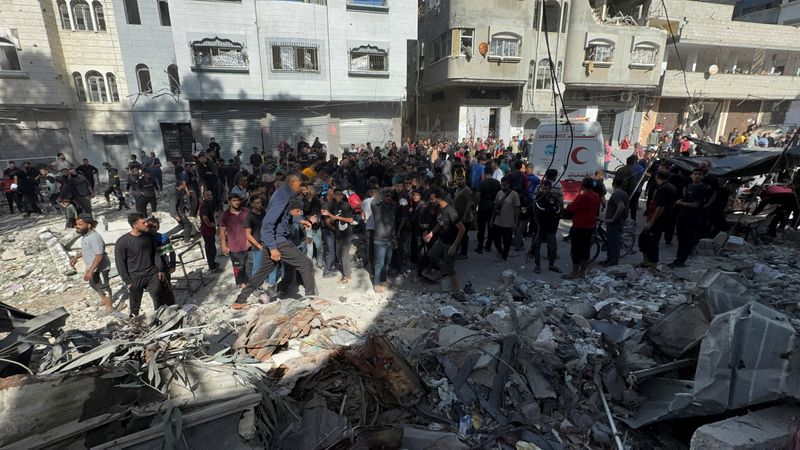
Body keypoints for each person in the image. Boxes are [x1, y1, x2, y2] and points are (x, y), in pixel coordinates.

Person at [234, 172, 317, 309]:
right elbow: (268, 222)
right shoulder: (283, 195)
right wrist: (272, 247)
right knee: (306, 263)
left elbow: (283, 216)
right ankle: (312, 299)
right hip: (277, 240)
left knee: (262, 274)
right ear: (293, 183)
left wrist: (300, 220)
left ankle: (240, 300)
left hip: (272, 239)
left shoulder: (283, 193)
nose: (302, 188)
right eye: (300, 185)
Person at [114, 213, 170, 316]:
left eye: (146, 221)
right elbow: (120, 263)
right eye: (143, 222)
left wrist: (160, 269)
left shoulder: (149, 237)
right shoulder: (122, 242)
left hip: (152, 275)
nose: (146, 224)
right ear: (135, 225)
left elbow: (155, 255)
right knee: (135, 306)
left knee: (159, 300)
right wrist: (128, 281)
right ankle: (135, 326)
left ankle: (161, 320)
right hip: (135, 278)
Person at [421, 188, 466, 299]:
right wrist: (432, 233)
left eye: (432, 199)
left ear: (439, 199)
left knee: (450, 269)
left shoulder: (450, 211)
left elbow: (462, 229)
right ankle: (444, 269)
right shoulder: (439, 208)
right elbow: (440, 223)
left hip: (450, 244)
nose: (430, 201)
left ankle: (457, 291)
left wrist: (454, 246)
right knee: (431, 254)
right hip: (441, 241)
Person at [70, 213, 113, 313]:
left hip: (100, 268)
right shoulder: (85, 236)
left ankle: (110, 308)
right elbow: (86, 249)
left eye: (80, 224)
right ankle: (106, 302)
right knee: (95, 286)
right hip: (92, 268)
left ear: (89, 225)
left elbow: (99, 256)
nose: (77, 226)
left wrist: (90, 271)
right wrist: (76, 257)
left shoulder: (94, 237)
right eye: (77, 224)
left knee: (103, 287)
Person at [669, 168, 708, 268]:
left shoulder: (703, 189)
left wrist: (682, 203)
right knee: (680, 238)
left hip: (693, 217)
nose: (697, 176)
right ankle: (678, 259)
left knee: (687, 238)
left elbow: (696, 205)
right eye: (695, 174)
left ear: (703, 177)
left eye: (699, 174)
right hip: (683, 215)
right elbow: (686, 198)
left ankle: (682, 260)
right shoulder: (690, 186)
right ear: (691, 175)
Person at [563, 177, 600, 279]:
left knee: (576, 250)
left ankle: (574, 273)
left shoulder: (582, 197)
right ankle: (582, 272)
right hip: (590, 226)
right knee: (586, 250)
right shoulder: (596, 196)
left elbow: (571, 208)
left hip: (580, 226)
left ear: (583, 185)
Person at [639, 170, 677, 268]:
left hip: (657, 220)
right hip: (663, 219)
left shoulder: (663, 189)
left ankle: (652, 266)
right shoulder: (671, 187)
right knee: (644, 239)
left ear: (657, 177)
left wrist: (651, 222)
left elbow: (661, 207)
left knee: (651, 243)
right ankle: (647, 263)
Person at [322, 188, 355, 284]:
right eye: (337, 194)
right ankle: (346, 271)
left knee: (344, 255)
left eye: (341, 194)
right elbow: (332, 220)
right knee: (339, 255)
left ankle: (347, 275)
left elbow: (350, 220)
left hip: (347, 234)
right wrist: (331, 218)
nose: (339, 196)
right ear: (334, 195)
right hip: (338, 233)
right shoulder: (333, 206)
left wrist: (336, 217)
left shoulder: (346, 205)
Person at [219, 192, 250, 288]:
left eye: (238, 200)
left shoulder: (246, 211)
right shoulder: (225, 215)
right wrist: (224, 245)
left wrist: (250, 240)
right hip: (234, 247)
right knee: (238, 267)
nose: (237, 202)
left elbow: (252, 226)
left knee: (249, 267)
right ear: (229, 202)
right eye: (234, 200)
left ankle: (250, 283)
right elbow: (222, 232)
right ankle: (242, 284)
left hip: (247, 245)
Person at [530, 180, 561, 274]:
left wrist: (550, 212)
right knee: (537, 246)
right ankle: (537, 265)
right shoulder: (538, 199)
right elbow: (539, 211)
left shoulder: (554, 199)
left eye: (546, 188)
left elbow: (558, 211)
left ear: (550, 188)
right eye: (543, 188)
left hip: (551, 228)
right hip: (540, 227)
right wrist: (550, 211)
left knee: (553, 247)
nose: (544, 190)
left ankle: (551, 265)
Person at [371, 188, 397, 293]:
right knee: (379, 263)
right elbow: (373, 203)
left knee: (387, 262)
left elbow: (392, 225)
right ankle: (376, 284)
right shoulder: (377, 209)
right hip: (380, 241)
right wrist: (382, 191)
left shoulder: (391, 209)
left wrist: (394, 237)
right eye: (386, 196)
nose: (388, 198)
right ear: (382, 197)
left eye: (390, 196)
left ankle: (383, 280)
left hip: (389, 240)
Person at [601, 177, 629, 267]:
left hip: (615, 222)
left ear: (613, 184)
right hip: (617, 221)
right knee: (611, 241)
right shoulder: (623, 193)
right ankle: (609, 260)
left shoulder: (617, 194)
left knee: (614, 242)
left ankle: (613, 262)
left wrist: (613, 218)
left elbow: (621, 206)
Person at [491, 178, 520, 263]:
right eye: (502, 185)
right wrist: (492, 219)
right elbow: (495, 207)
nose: (503, 187)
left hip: (508, 223)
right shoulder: (499, 193)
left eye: (505, 185)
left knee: (507, 242)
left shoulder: (514, 195)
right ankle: (500, 251)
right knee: (496, 240)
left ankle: (504, 256)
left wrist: (515, 222)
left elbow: (517, 210)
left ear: (509, 185)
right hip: (498, 221)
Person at [474, 167, 501, 253]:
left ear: (485, 173)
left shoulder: (482, 183)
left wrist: (475, 205)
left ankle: (480, 246)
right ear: (492, 173)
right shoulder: (497, 183)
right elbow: (499, 195)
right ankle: (488, 245)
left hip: (483, 206)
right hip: (492, 207)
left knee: (481, 227)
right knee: (491, 227)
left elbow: (478, 196)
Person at [199, 190, 222, 272]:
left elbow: (216, 212)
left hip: (211, 230)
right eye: (208, 195)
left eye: (211, 194)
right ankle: (212, 267)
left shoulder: (211, 203)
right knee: (210, 249)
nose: (210, 196)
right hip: (206, 231)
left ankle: (212, 263)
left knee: (212, 248)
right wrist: (210, 225)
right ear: (204, 196)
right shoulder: (204, 206)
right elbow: (205, 217)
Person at [453, 176, 474, 258]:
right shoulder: (458, 189)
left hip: (465, 218)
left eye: (461, 179)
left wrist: (465, 215)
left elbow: (469, 203)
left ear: (464, 180)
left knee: (464, 235)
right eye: (458, 179)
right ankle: (460, 250)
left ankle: (464, 253)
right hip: (458, 216)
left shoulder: (466, 190)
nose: (459, 181)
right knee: (459, 234)